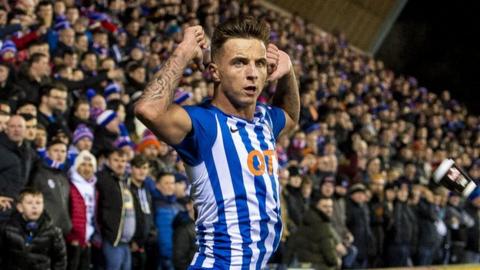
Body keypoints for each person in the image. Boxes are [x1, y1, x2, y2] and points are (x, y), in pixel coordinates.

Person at [135, 17, 299, 269]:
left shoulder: (264, 120)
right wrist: (184, 51)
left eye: (260, 64)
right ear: (214, 71)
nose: (252, 73)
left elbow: (290, 116)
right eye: (239, 63)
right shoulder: (205, 123)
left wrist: (288, 73)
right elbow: (148, 109)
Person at [0, 187, 67, 269]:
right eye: (29, 203)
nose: (34, 206)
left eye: (38, 203)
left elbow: (60, 260)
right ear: (20, 207)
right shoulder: (7, 229)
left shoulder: (53, 231)